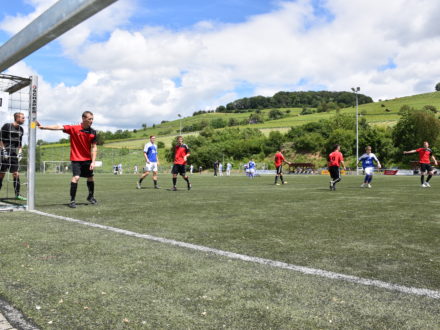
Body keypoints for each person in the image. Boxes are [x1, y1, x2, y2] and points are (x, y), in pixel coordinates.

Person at [37, 111, 98, 208]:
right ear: (83, 118)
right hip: (76, 158)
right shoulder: (74, 128)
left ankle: (90, 196)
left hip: (87, 159)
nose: (91, 121)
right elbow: (59, 127)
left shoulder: (93, 132)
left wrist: (93, 162)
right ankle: (72, 200)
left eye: (92, 119)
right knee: (76, 177)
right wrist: (43, 127)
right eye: (89, 119)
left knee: (90, 177)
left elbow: (94, 147)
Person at [0, 112, 26, 200]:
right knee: (1, 174)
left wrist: (20, 151)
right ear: (17, 118)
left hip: (13, 155)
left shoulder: (21, 129)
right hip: (4, 153)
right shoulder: (7, 126)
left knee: (16, 174)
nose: (24, 119)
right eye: (22, 118)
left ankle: (17, 194)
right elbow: (0, 139)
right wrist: (3, 150)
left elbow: (20, 143)